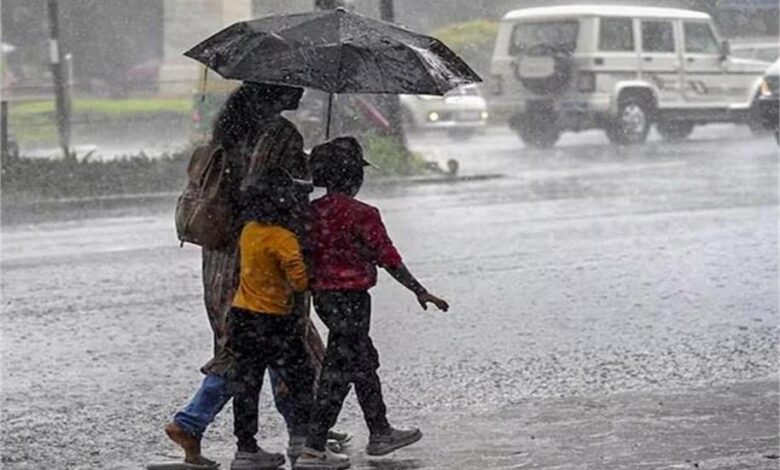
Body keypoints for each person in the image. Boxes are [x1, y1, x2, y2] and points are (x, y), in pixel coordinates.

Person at [164, 83, 345, 468]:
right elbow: (273, 191)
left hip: (223, 256)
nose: (301, 90)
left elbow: (246, 183)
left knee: (252, 345)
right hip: (263, 255)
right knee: (276, 343)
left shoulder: (229, 131)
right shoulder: (280, 133)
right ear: (273, 91)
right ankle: (195, 422)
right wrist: (312, 174)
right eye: (292, 83)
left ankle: (300, 430)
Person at [294, 137, 450, 469]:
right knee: (339, 370)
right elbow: (388, 258)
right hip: (353, 301)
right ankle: (314, 448)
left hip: (323, 299)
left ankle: (380, 431)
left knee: (361, 361)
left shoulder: (308, 213)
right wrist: (419, 290)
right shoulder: (363, 214)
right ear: (355, 176)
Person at [224, 167, 325, 470]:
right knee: (301, 378)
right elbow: (300, 282)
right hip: (274, 322)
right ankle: (303, 441)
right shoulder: (283, 238)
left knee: (247, 385)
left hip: (242, 317)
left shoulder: (249, 231)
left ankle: (245, 448)